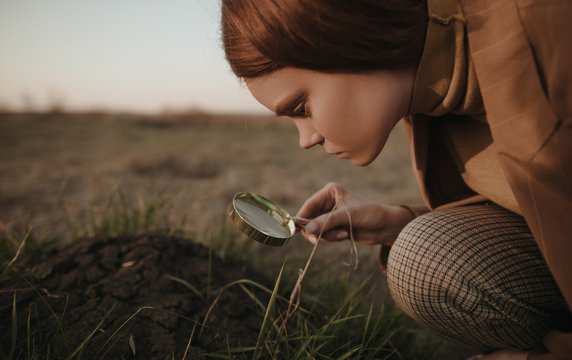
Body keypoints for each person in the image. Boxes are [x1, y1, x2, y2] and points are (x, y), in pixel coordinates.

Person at [220, 0, 572, 359]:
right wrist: (398, 223)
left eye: (302, 107)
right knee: (424, 256)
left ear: (353, 37)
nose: (305, 139)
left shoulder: (545, 54)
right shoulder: (425, 82)